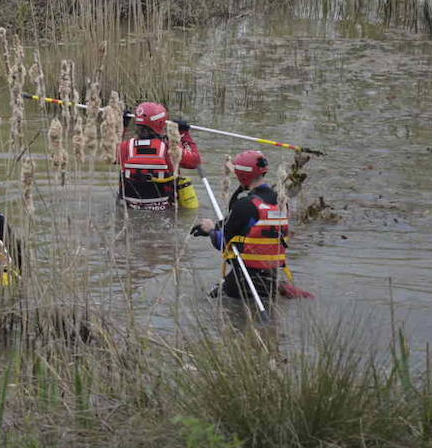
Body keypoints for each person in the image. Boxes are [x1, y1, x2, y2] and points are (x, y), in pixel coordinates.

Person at [193, 149, 301, 302]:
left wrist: (210, 230)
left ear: (242, 176)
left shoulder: (245, 205)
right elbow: (250, 226)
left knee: (206, 301)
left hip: (243, 281)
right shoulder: (280, 203)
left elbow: (223, 243)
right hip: (270, 279)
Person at [118, 101, 202, 209]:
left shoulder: (125, 147)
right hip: (163, 211)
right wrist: (184, 134)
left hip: (128, 208)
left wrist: (122, 125)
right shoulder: (170, 150)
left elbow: (110, 155)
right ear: (161, 124)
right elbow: (195, 161)